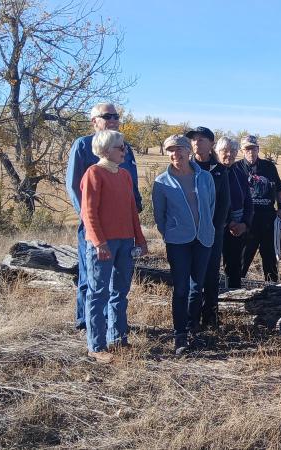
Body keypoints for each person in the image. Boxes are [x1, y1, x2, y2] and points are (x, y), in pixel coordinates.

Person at [65, 102, 142, 333]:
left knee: (117, 282)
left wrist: (134, 211)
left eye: (116, 115)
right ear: (94, 121)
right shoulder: (83, 145)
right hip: (95, 227)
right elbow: (74, 185)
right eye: (107, 115)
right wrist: (90, 222)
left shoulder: (123, 146)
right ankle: (86, 324)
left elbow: (132, 184)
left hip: (123, 229)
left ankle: (113, 327)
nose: (113, 119)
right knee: (91, 276)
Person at [79, 130, 147, 363]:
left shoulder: (125, 175)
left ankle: (118, 338)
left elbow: (131, 210)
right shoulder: (94, 173)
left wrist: (140, 239)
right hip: (104, 244)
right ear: (107, 150)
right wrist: (99, 242)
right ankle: (96, 346)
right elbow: (88, 213)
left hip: (126, 241)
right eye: (121, 147)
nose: (124, 151)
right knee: (98, 293)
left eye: (124, 147)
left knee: (120, 292)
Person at [152, 135, 217, 355]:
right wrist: (172, 232)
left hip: (203, 239)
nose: (175, 154)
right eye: (170, 150)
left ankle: (193, 330)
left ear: (188, 151)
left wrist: (205, 227)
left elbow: (211, 206)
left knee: (197, 287)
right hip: (177, 241)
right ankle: (180, 335)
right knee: (180, 288)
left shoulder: (205, 177)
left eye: (179, 149)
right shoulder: (162, 181)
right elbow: (159, 216)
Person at [188, 126, 230, 331]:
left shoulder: (220, 170)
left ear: (211, 143)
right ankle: (191, 319)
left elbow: (224, 203)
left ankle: (210, 317)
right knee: (193, 276)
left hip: (213, 232)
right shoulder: (185, 167)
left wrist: (215, 228)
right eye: (194, 139)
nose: (197, 142)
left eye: (202, 139)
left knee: (211, 274)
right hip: (189, 233)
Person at [238, 135, 281, 282]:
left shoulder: (269, 166)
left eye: (253, 148)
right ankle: (235, 287)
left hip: (267, 218)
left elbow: (278, 189)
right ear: (242, 150)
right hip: (246, 220)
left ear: (258, 149)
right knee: (243, 257)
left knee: (269, 257)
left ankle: (272, 290)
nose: (251, 152)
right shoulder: (237, 168)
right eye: (247, 149)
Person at [215, 137, 253, 289]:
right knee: (211, 267)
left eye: (233, 151)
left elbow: (248, 202)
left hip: (237, 230)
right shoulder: (211, 174)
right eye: (225, 151)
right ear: (217, 152)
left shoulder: (240, 174)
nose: (229, 154)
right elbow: (215, 203)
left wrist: (245, 224)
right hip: (216, 227)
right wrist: (229, 222)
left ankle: (234, 299)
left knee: (234, 267)